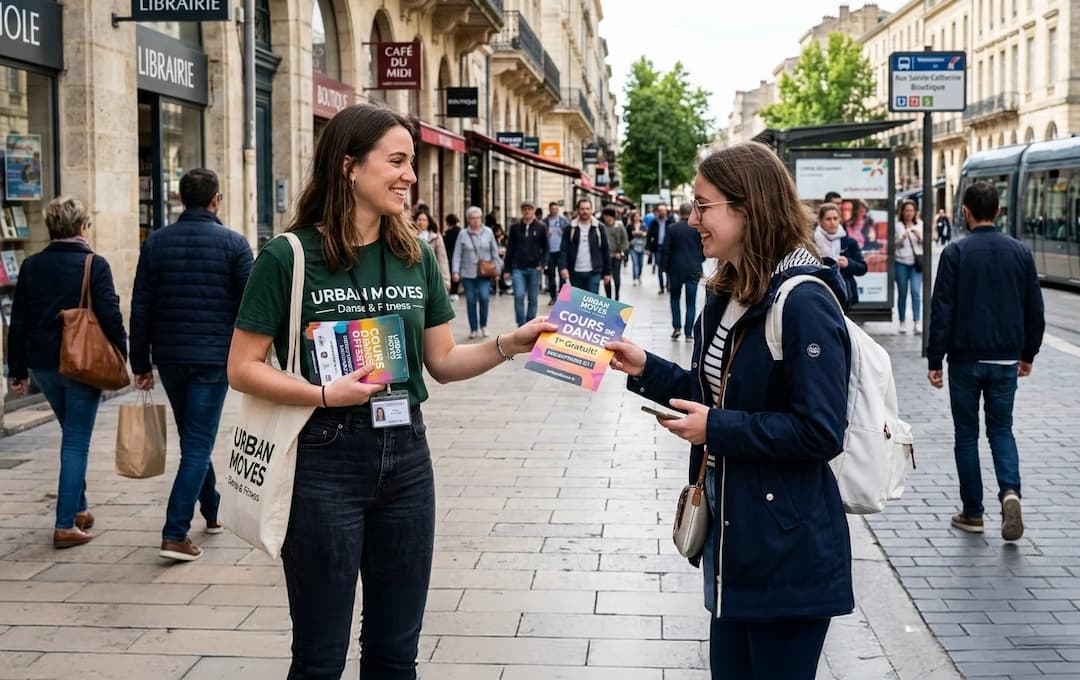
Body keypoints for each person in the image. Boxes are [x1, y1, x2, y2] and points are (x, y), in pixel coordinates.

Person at [227, 104, 556, 679]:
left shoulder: (415, 255)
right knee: (319, 658)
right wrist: (323, 395)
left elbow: (444, 362)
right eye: (397, 161)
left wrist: (514, 341)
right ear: (350, 167)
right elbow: (242, 366)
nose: (409, 176)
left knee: (395, 654)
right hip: (324, 457)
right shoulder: (289, 256)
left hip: (406, 457)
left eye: (412, 163)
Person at [606, 142, 853, 680]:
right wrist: (644, 365)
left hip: (786, 547)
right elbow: (713, 391)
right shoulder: (727, 293)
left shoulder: (803, 300)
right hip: (735, 540)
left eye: (703, 206)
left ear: (747, 208)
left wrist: (714, 429)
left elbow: (821, 430)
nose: (692, 219)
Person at [129, 168, 254, 562]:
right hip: (212, 358)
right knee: (198, 443)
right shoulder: (234, 243)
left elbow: (141, 305)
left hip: (170, 357)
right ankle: (174, 532)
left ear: (181, 200)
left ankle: (213, 510)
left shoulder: (156, 243)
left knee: (193, 441)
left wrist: (140, 361)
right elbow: (250, 305)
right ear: (216, 199)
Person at [6, 196, 128, 549]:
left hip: (43, 365)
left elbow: (19, 322)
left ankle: (80, 509)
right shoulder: (94, 264)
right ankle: (64, 524)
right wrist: (121, 354)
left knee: (70, 432)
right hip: (82, 363)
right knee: (76, 440)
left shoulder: (31, 266)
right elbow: (110, 315)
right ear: (82, 226)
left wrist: (17, 370)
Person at [927, 181, 1045, 541]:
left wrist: (935, 359)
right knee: (1001, 430)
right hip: (1005, 360)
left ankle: (973, 512)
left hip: (964, 359)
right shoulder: (1020, 253)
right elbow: (1034, 310)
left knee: (966, 435)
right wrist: (1028, 354)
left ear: (965, 212)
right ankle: (1010, 491)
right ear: (998, 211)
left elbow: (942, 310)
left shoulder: (955, 253)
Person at [452, 206, 502, 338]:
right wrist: (455, 271)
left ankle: (483, 325)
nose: (475, 221)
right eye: (473, 218)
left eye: (478, 218)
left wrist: (497, 269)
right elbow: (457, 253)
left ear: (481, 218)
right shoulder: (463, 234)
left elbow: (494, 252)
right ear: (468, 220)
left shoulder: (488, 232)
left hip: (484, 272)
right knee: (471, 300)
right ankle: (473, 328)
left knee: (484, 297)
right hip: (467, 273)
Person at [661, 203, 705, 341]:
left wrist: (665, 268)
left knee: (675, 298)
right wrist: (699, 261)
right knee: (691, 302)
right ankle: (688, 332)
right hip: (694, 268)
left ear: (679, 213)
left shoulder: (672, 228)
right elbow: (703, 248)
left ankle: (676, 327)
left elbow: (666, 250)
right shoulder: (697, 228)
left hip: (675, 269)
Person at [504, 199, 549, 326]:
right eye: (524, 209)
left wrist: (542, 263)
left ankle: (530, 323)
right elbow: (510, 248)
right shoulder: (515, 228)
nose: (527, 211)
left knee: (533, 298)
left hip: (534, 268)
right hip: (518, 267)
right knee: (518, 295)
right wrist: (507, 269)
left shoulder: (541, 227)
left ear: (534, 211)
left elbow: (546, 247)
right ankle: (521, 324)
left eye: (529, 209)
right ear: (521, 211)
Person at [815, 202, 867, 308]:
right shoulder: (812, 243)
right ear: (820, 221)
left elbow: (863, 268)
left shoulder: (849, 242)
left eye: (835, 218)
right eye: (828, 219)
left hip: (845, 295)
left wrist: (848, 263)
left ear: (840, 219)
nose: (832, 222)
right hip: (820, 295)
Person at [559, 198, 611, 294]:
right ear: (578, 210)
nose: (585, 211)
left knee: (590, 304)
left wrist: (607, 272)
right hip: (575, 272)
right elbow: (563, 249)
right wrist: (563, 267)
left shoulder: (599, 228)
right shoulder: (570, 228)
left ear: (591, 210)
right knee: (578, 304)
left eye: (587, 209)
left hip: (594, 272)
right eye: (582, 209)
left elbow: (605, 250)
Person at [895, 198, 923, 334]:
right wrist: (902, 238)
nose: (909, 213)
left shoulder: (920, 225)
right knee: (902, 292)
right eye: (907, 210)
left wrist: (919, 237)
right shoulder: (898, 226)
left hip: (916, 264)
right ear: (902, 212)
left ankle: (917, 322)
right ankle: (902, 322)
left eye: (912, 210)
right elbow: (894, 245)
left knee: (916, 291)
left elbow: (926, 243)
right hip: (900, 262)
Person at [414, 211, 450, 291]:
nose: (421, 222)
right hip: (416, 273)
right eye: (419, 219)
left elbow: (442, 258)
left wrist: (446, 279)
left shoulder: (436, 237)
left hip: (432, 273)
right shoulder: (411, 235)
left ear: (428, 222)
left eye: (424, 220)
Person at [543, 201, 569, 303]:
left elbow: (568, 236)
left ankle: (563, 298)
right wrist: (546, 234)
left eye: (555, 209)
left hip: (561, 252)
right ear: (549, 209)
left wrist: (563, 233)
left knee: (563, 275)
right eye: (552, 209)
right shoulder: (544, 222)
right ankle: (553, 297)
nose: (554, 210)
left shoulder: (563, 221)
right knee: (551, 276)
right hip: (550, 252)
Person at [601, 206, 629, 300]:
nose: (607, 218)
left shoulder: (619, 227)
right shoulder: (602, 227)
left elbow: (625, 241)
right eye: (605, 216)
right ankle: (608, 297)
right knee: (606, 278)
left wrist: (621, 252)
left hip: (616, 256)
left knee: (616, 278)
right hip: (605, 257)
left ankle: (617, 294)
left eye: (609, 216)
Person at [646, 204, 675, 293]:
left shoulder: (670, 222)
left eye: (663, 210)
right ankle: (661, 287)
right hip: (658, 248)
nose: (662, 212)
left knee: (668, 267)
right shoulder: (654, 222)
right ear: (657, 212)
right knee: (660, 268)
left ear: (666, 212)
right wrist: (647, 248)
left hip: (669, 248)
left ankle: (668, 285)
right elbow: (649, 236)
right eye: (660, 210)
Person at [443, 213, 461, 301]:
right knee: (455, 272)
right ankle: (455, 292)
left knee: (451, 272)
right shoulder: (460, 231)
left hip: (450, 254)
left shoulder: (449, 232)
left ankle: (452, 292)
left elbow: (445, 243)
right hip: (456, 254)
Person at [627, 211, 647, 286]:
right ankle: (635, 278)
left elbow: (646, 234)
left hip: (641, 246)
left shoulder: (643, 225)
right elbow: (628, 235)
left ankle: (639, 276)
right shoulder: (630, 226)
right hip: (632, 247)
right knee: (635, 263)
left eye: (638, 216)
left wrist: (640, 233)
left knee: (640, 264)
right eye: (635, 216)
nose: (637, 218)